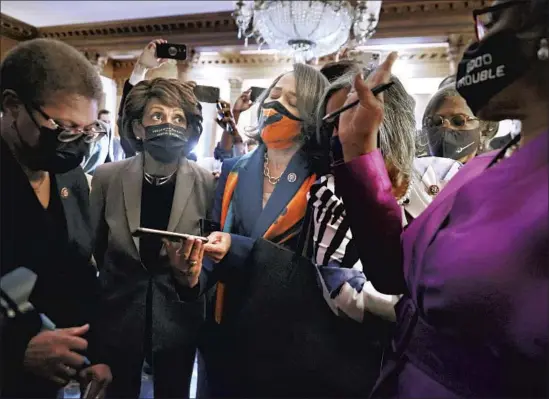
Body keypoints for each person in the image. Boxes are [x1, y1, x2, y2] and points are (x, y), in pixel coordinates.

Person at [331, 0, 548, 395]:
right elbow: (394, 272)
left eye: (497, 24)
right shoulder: (483, 164)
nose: (479, 47)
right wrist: (360, 148)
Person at [198, 63, 329, 397]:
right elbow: (213, 242)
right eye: (274, 94)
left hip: (288, 335)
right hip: (225, 327)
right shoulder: (234, 169)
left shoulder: (324, 177)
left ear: (312, 115)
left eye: (293, 100)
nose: (277, 103)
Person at [90, 76, 216, 399]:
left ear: (189, 130)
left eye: (178, 119)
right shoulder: (107, 178)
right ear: (137, 128)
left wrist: (188, 276)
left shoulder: (208, 183)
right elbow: (94, 249)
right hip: (117, 318)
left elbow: (212, 260)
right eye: (158, 116)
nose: (169, 125)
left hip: (178, 321)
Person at [0, 38, 112, 398]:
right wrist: (16, 348)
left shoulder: (70, 176)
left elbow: (77, 270)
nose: (76, 144)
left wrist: (95, 352)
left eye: (88, 131)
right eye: (63, 127)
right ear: (12, 106)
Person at [311, 64, 462, 326]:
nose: (339, 133)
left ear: (389, 119)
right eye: (331, 124)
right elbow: (341, 290)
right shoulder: (332, 193)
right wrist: (434, 310)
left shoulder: (444, 174)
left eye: (349, 118)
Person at [420, 84, 499, 163]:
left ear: (484, 130)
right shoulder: (416, 171)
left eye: (458, 121)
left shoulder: (496, 170)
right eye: (436, 121)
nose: (445, 126)